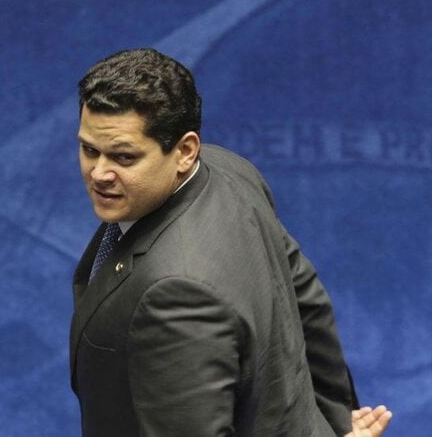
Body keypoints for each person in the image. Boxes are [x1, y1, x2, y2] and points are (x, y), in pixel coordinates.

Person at [69, 48, 391, 436]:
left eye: (123, 157)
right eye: (89, 150)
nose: (99, 173)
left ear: (185, 152)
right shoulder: (229, 172)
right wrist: (336, 425)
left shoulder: (174, 293)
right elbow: (307, 299)